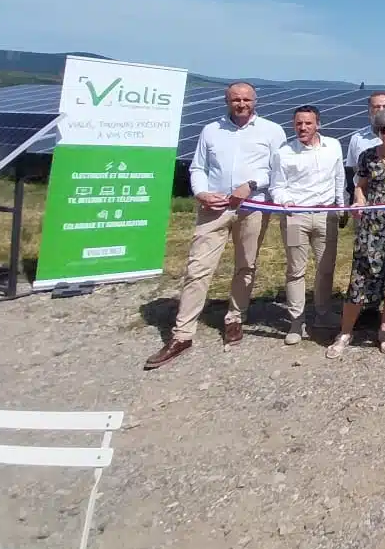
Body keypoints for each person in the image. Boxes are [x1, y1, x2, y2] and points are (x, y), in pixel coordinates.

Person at [144, 82, 286, 369]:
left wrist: (252, 185)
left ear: (255, 101)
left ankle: (235, 317)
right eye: (236, 99)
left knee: (246, 265)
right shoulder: (211, 130)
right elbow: (198, 168)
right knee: (198, 268)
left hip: (253, 207)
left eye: (246, 99)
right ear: (227, 101)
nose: (241, 104)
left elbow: (279, 171)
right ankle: (182, 333)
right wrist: (201, 193)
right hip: (214, 208)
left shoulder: (272, 131)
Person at [326, 107, 385, 359]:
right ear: (378, 131)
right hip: (372, 226)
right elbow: (360, 187)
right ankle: (346, 331)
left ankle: (384, 329)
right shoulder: (367, 156)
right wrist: (358, 201)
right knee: (360, 279)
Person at [270, 105, 345, 342]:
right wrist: (286, 201)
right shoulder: (284, 153)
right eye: (298, 123)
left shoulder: (333, 146)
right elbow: (276, 187)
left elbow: (339, 177)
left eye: (308, 123)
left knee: (325, 269)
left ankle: (323, 314)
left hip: (326, 216)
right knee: (296, 270)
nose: (303, 127)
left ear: (318, 124)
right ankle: (295, 323)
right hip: (295, 218)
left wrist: (341, 206)